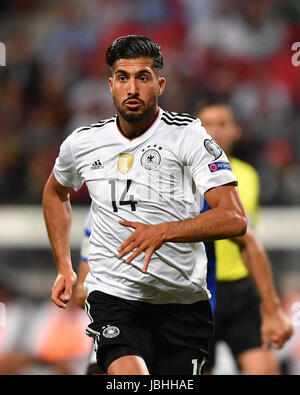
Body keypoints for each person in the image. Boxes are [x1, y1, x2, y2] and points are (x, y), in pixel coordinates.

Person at [43, 35, 248, 375]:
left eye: (143, 77)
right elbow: (54, 193)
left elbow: (234, 218)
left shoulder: (190, 137)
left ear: (160, 83)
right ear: (110, 84)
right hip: (114, 296)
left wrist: (164, 232)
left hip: (183, 301)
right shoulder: (83, 143)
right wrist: (64, 266)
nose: (132, 88)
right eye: (123, 77)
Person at [196, 101, 293, 375]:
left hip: (240, 290)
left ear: (237, 130)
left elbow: (236, 229)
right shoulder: (183, 175)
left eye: (223, 123)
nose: (215, 131)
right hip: (200, 291)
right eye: (207, 124)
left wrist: (271, 307)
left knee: (265, 369)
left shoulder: (247, 176)